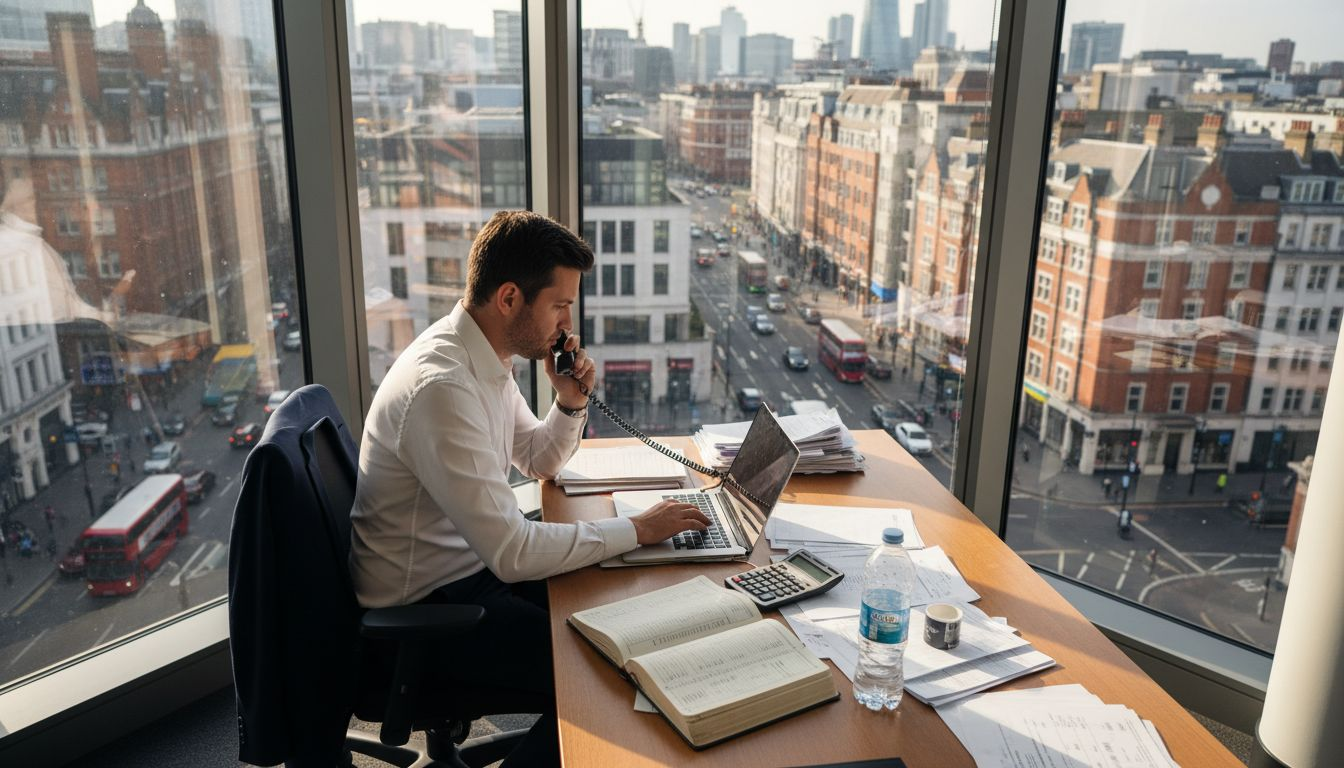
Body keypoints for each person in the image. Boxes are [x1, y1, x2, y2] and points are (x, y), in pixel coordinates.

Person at [349, 211, 709, 767]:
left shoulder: (483, 355)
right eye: (560, 305)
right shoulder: (443, 387)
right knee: (605, 676)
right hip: (429, 612)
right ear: (511, 298)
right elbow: (514, 553)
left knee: (612, 603)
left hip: (471, 571)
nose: (568, 322)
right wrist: (637, 528)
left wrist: (568, 400)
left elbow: (540, 459)